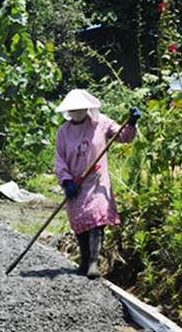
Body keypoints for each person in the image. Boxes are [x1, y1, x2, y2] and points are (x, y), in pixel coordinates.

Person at [54, 89, 140, 279]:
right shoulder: (64, 132)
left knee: (96, 219)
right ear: (68, 111)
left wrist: (131, 122)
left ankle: (94, 261)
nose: (78, 112)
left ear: (87, 108)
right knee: (80, 222)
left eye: (81, 108)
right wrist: (66, 181)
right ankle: (84, 260)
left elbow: (123, 136)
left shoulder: (101, 123)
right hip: (76, 184)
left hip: (97, 182)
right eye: (74, 109)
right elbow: (59, 160)